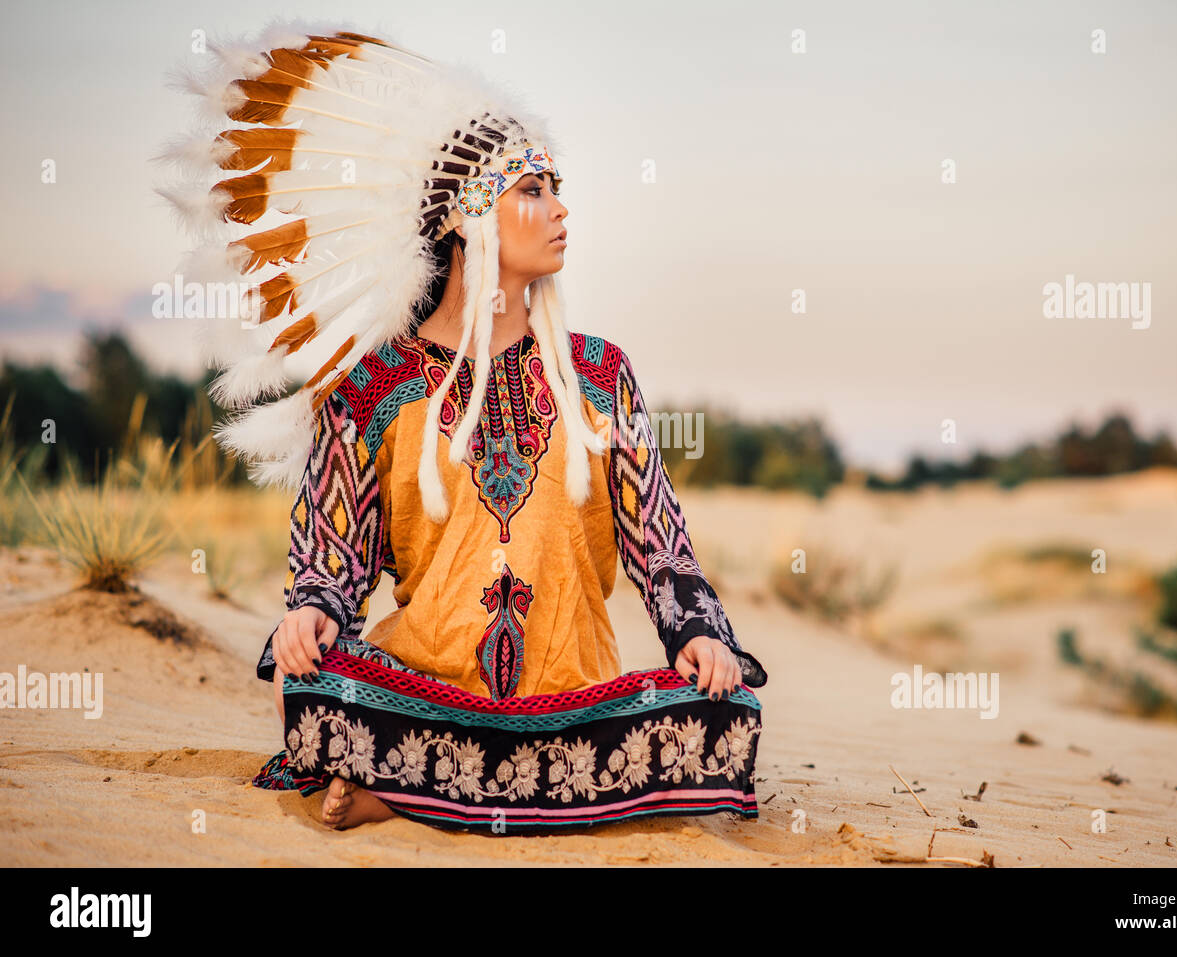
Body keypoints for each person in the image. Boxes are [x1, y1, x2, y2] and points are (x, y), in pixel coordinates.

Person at [154, 24, 767, 833]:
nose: (560, 209)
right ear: (469, 213)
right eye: (534, 189)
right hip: (418, 691)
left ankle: (404, 791)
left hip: (576, 698)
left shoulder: (600, 374)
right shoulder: (371, 387)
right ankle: (507, 791)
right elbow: (333, 563)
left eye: (555, 186)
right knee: (308, 690)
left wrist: (697, 633)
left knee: (728, 713)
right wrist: (312, 613)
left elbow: (662, 545)